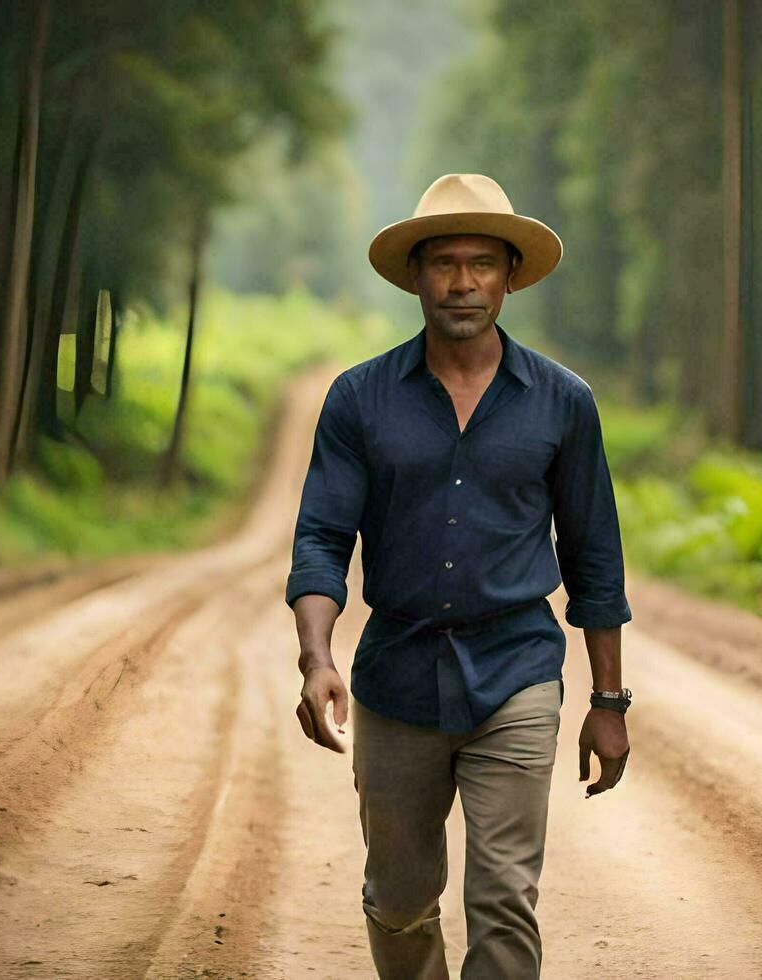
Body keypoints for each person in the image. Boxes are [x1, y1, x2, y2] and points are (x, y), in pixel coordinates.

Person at [286, 172, 634, 979]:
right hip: (397, 677)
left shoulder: (563, 403)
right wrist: (317, 660)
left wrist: (609, 702)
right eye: (444, 263)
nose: (463, 281)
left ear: (511, 276)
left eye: (483, 263)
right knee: (400, 898)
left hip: (516, 672)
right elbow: (321, 539)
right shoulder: (359, 400)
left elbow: (596, 562)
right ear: (416, 275)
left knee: (505, 898)